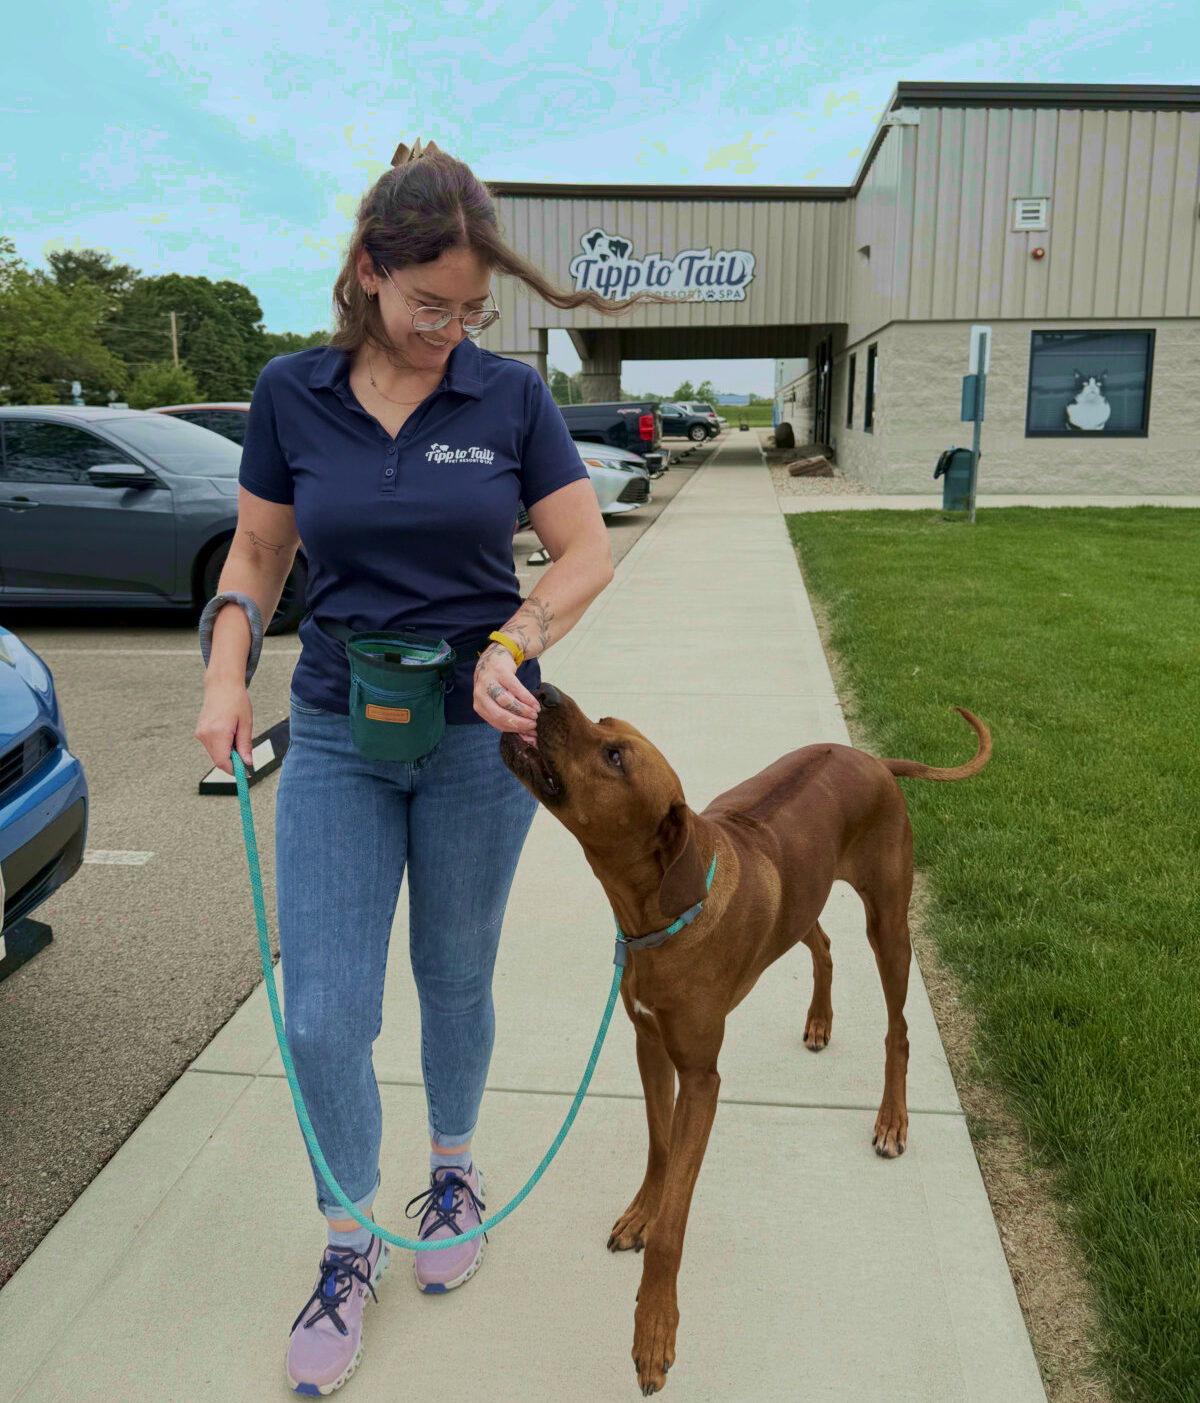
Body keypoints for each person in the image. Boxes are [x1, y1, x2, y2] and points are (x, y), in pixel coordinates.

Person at [194, 137, 666, 1396]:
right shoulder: (292, 392)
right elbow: (255, 553)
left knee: (455, 974)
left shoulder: (505, 398)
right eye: (427, 304)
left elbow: (581, 555)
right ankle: (349, 1244)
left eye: (471, 311)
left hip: (479, 742)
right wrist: (226, 670)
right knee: (321, 1015)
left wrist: (518, 636)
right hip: (343, 729)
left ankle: (452, 1174)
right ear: (366, 273)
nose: (449, 330)